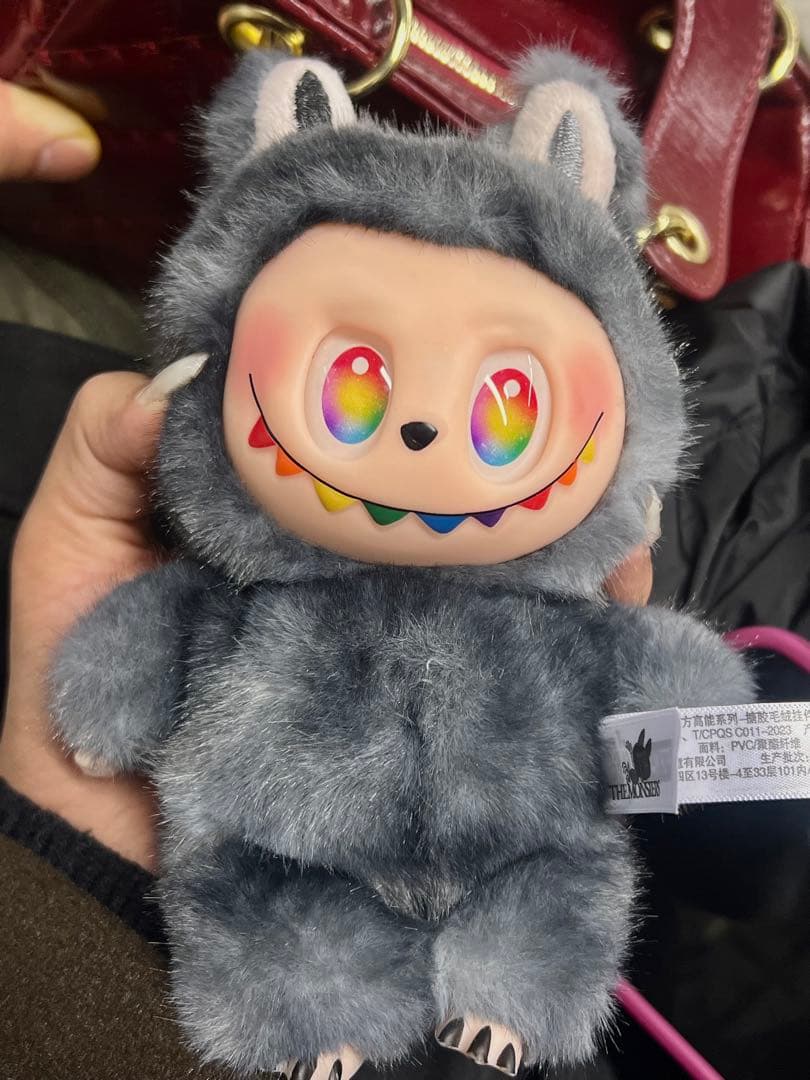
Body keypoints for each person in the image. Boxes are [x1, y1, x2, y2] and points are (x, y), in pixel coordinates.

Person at [0, 79, 651, 1079]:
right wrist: (96, 726)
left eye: (507, 405)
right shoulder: (239, 599)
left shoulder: (562, 624)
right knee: (264, 911)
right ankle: (311, 1019)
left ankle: (513, 995)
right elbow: (146, 646)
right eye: (355, 386)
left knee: (551, 894)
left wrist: (707, 747)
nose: (423, 430)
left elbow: (664, 689)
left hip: (519, 859)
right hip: (279, 856)